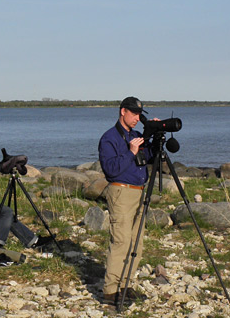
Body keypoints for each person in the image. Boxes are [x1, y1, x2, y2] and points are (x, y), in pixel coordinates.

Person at [97, 96, 156, 305]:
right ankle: (110, 291)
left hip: (139, 192)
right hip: (121, 192)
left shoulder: (137, 135)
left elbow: (149, 157)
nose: (137, 118)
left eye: (140, 114)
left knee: (136, 242)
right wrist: (131, 152)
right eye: (134, 114)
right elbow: (111, 170)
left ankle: (125, 285)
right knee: (121, 241)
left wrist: (154, 136)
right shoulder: (109, 138)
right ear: (123, 111)